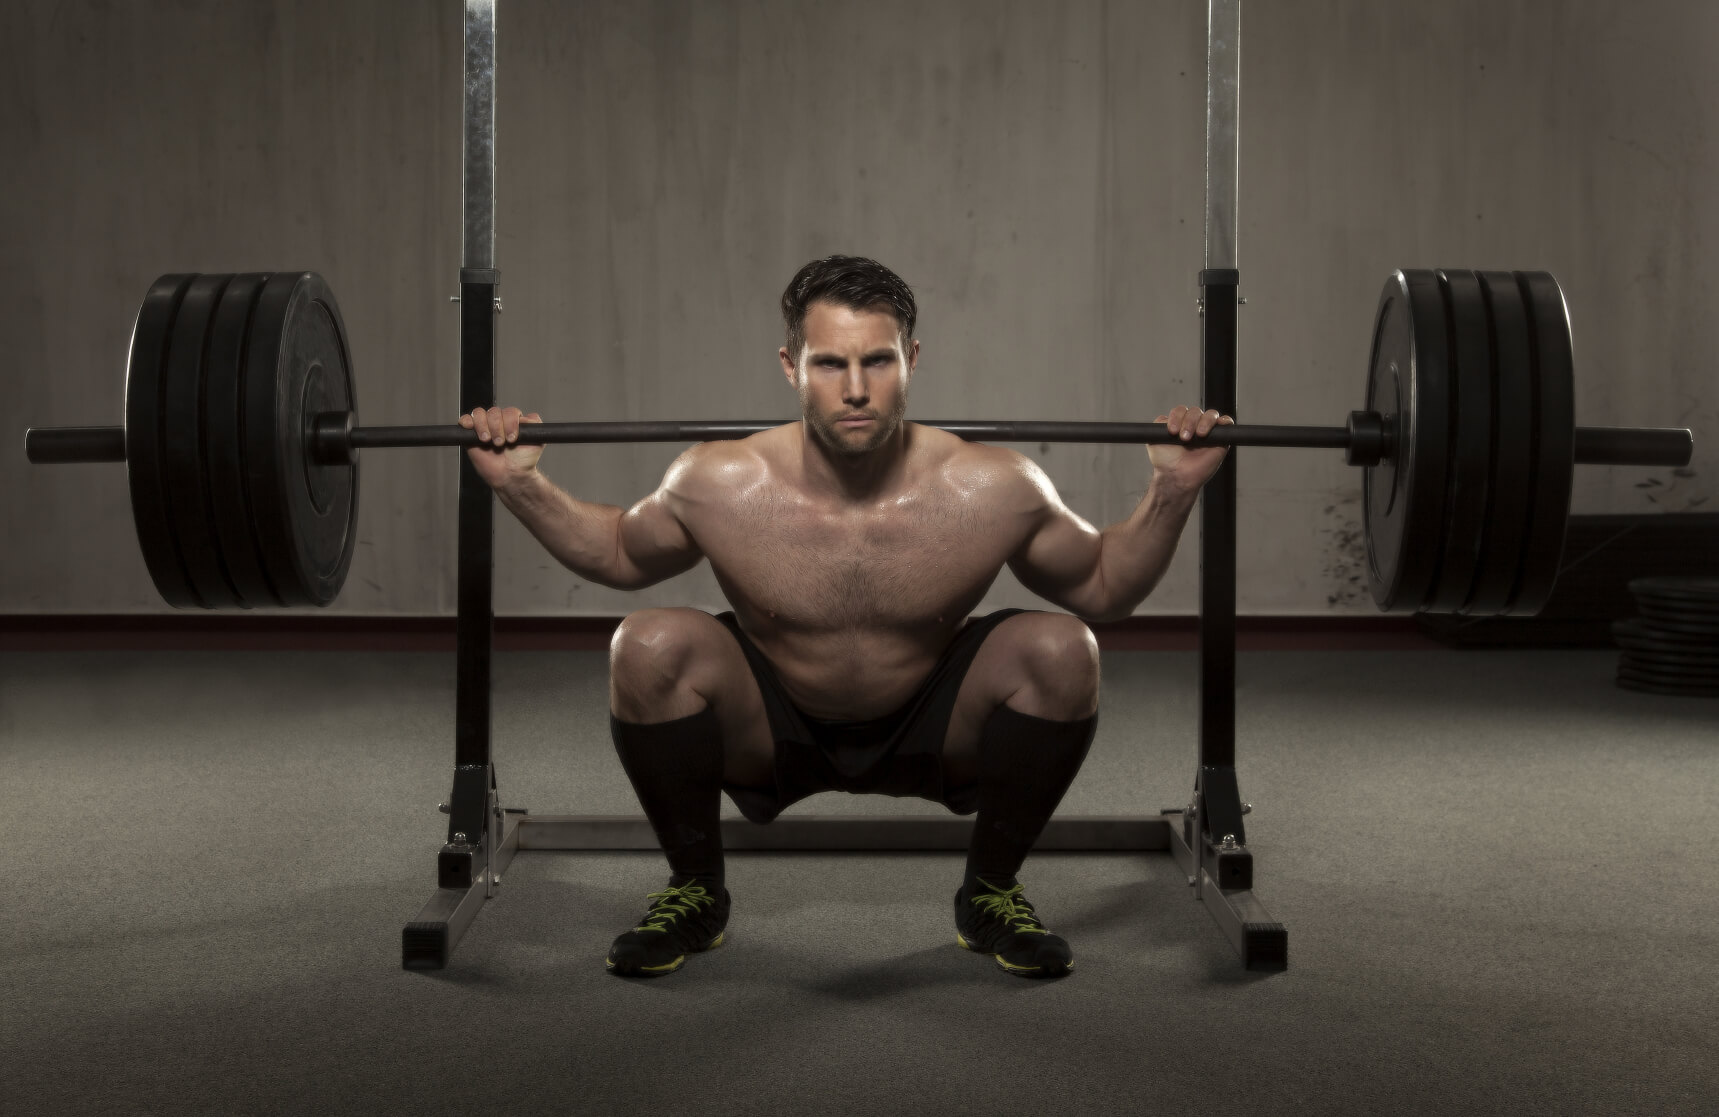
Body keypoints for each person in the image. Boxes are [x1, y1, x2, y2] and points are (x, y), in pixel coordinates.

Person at [461, 255, 1233, 979]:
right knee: (647, 644)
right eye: (830, 363)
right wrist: (519, 485)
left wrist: (1174, 490)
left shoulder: (992, 484)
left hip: (933, 721)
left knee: (1067, 649)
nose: (855, 388)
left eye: (878, 361)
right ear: (791, 366)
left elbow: (1105, 587)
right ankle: (695, 889)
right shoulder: (717, 479)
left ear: (912, 360)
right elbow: (619, 553)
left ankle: (990, 892)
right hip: (771, 728)